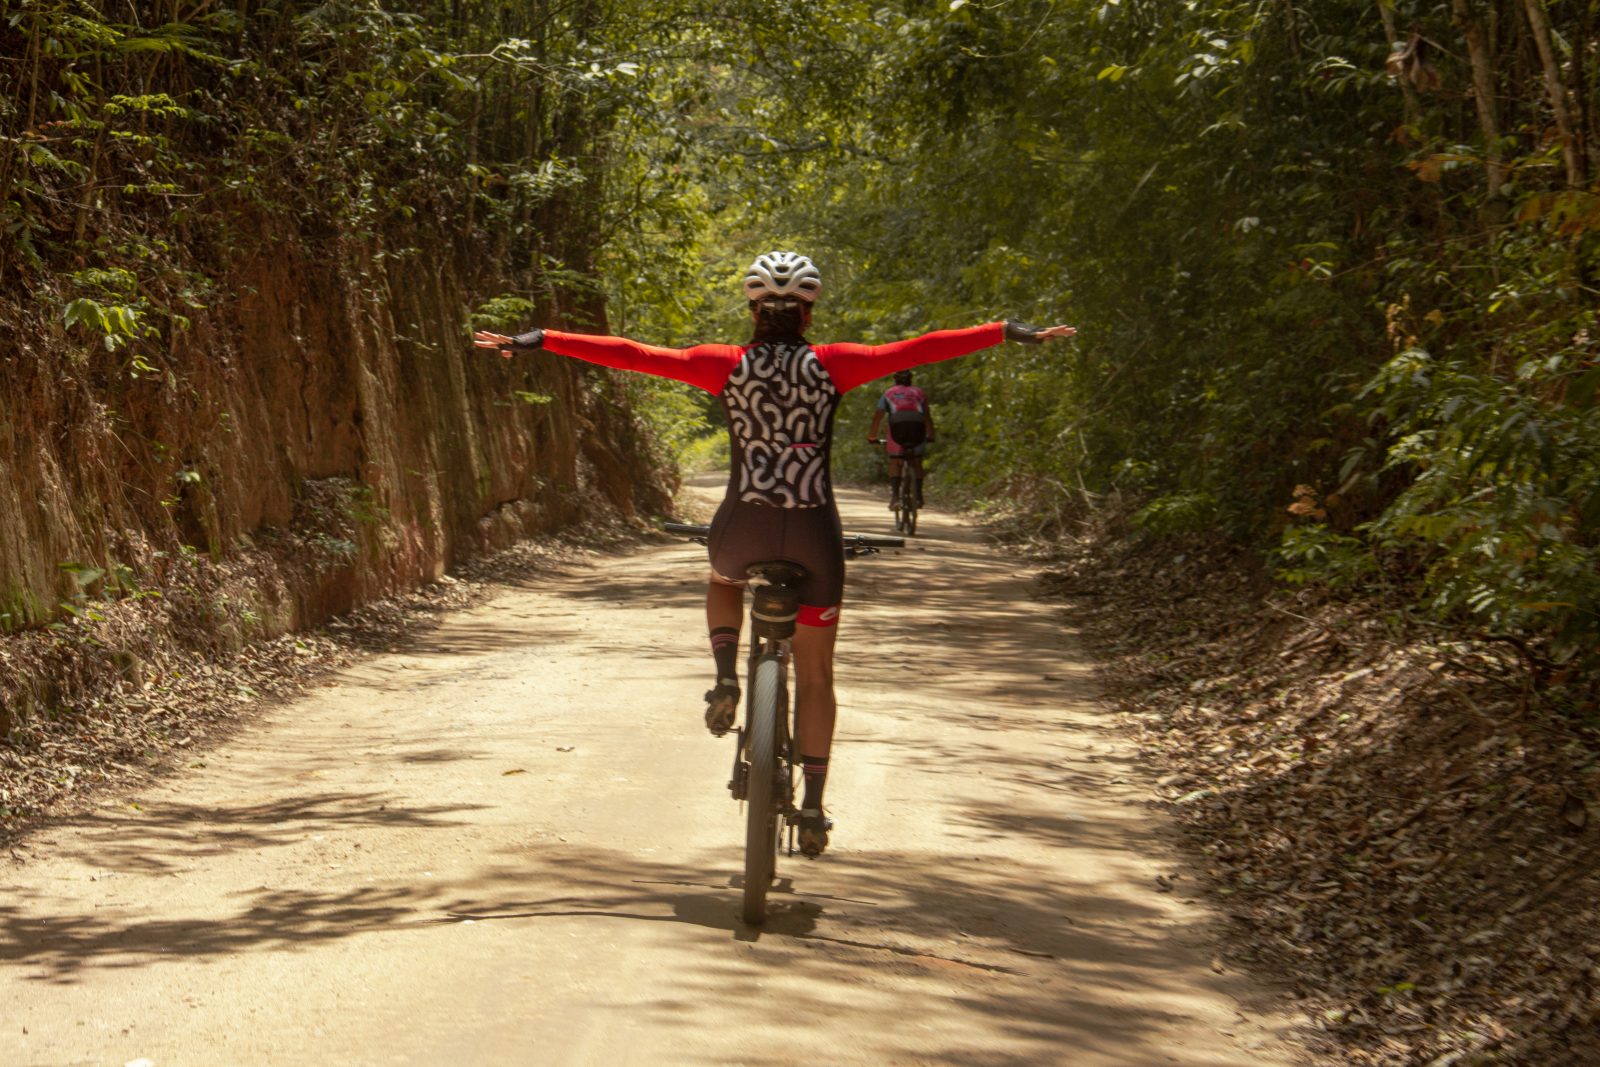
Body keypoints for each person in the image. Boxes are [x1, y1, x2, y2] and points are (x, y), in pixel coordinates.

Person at [474, 251, 1075, 855]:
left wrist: (541, 339)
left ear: (753, 309)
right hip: (815, 535)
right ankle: (812, 808)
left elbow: (633, 353)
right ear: (808, 313)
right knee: (815, 675)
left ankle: (723, 678)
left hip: (744, 528)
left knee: (723, 578)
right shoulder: (835, 363)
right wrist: (1007, 330)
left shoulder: (723, 364)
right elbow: (921, 348)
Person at [868, 368, 933, 511]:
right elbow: (927, 416)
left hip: (897, 426)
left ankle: (895, 498)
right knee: (917, 461)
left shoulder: (888, 393)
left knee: (895, 461)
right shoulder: (919, 392)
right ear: (911, 379)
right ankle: (919, 496)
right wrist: (930, 435)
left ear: (895, 380)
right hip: (917, 426)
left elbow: (878, 416)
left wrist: (872, 436)